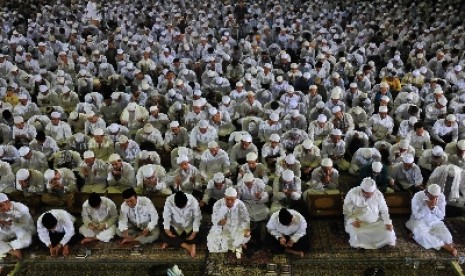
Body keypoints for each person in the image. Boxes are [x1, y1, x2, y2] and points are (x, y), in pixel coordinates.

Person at [343, 177, 396, 249]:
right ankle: (361, 245)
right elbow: (347, 210)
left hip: (375, 222)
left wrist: (388, 223)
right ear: (362, 191)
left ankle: (384, 243)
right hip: (358, 223)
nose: (370, 195)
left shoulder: (378, 194)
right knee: (357, 233)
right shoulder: (353, 193)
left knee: (389, 232)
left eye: (371, 193)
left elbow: (384, 210)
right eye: (367, 194)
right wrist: (352, 221)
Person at [406, 184, 458, 256]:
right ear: (427, 193)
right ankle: (444, 246)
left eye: (436, 197)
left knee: (448, 238)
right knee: (422, 234)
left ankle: (415, 235)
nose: (434, 199)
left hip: (435, 222)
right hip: (419, 221)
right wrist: (427, 207)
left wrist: (434, 207)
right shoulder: (417, 196)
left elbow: (442, 216)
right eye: (431, 197)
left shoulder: (441, 197)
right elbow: (417, 216)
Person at [207, 187, 251, 259]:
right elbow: (214, 218)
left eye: (232, 200)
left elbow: (246, 219)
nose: (230, 201)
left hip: (236, 229)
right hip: (222, 229)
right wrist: (219, 222)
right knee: (211, 238)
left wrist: (246, 229)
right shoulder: (218, 204)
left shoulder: (241, 205)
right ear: (224, 197)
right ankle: (235, 246)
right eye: (227, 199)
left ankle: (237, 245)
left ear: (236, 198)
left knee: (245, 235)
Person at [161, 191, 202, 257]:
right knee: (163, 234)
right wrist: (167, 231)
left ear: (186, 200)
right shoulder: (169, 200)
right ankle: (188, 246)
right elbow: (166, 216)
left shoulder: (193, 200)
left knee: (200, 233)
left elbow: (197, 217)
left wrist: (194, 233)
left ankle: (173, 242)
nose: (182, 209)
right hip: (176, 227)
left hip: (189, 227)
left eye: (184, 206)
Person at [0, 193, 34, 259]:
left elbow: (25, 226)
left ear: (7, 201)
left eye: (0, 206)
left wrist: (10, 224)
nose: (0, 209)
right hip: (8, 230)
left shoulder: (21, 208)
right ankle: (12, 250)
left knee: (26, 240)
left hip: (23, 229)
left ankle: (4, 247)